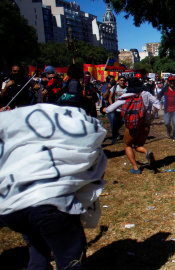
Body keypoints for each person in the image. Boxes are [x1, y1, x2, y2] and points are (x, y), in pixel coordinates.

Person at [0, 101, 108, 270]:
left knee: (37, 249)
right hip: (49, 204)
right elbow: (97, 175)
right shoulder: (82, 134)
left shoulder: (29, 133)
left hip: (11, 205)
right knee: (70, 260)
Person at [105, 77, 160, 174]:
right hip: (146, 123)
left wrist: (104, 110)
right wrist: (153, 113)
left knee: (127, 144)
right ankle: (146, 152)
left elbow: (110, 109)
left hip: (133, 124)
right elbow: (157, 103)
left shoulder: (126, 95)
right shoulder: (146, 94)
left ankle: (135, 168)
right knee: (138, 145)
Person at [157, 75, 175, 141]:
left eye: (173, 81)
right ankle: (169, 130)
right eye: (171, 81)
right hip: (167, 109)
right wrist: (157, 104)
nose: (172, 83)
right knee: (166, 123)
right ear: (168, 82)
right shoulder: (166, 88)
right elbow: (159, 95)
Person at [108, 76, 127, 144]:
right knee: (113, 122)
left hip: (123, 109)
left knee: (122, 121)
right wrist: (112, 106)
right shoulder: (115, 87)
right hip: (115, 108)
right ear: (118, 81)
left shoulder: (127, 89)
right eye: (121, 80)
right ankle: (114, 137)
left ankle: (115, 132)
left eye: (124, 80)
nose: (122, 82)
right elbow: (110, 97)